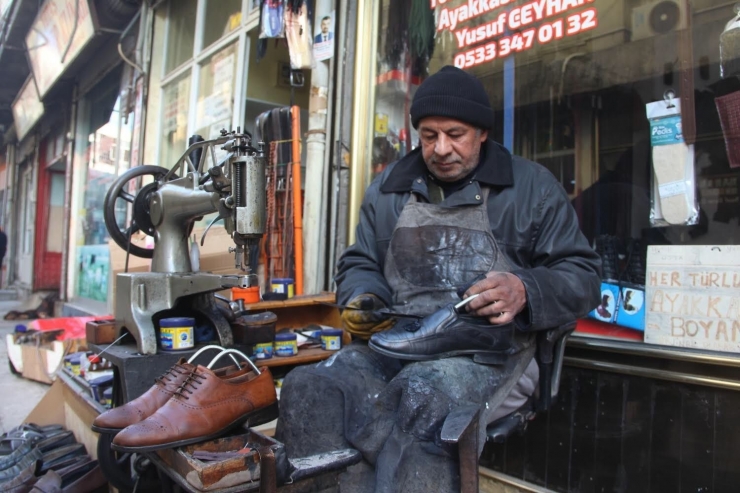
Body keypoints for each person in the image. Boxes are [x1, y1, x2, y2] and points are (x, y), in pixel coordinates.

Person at [276, 66, 601, 492]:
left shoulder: (531, 188)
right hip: (401, 341)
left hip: (494, 354)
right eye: (429, 136)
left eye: (455, 134)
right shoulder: (388, 190)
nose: (441, 148)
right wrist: (363, 295)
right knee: (309, 388)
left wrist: (525, 290)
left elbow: (583, 274)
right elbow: (359, 261)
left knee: (422, 397)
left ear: (482, 133)